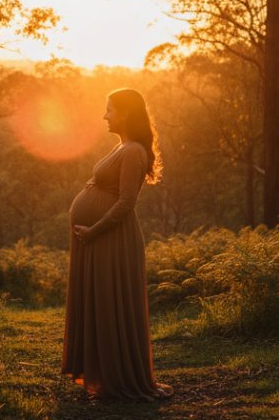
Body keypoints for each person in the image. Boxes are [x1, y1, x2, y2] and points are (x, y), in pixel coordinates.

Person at [62, 88, 173, 401]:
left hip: (112, 239)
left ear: (125, 113)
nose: (104, 115)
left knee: (112, 307)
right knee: (100, 305)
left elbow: (126, 202)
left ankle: (123, 379)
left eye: (109, 109)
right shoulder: (122, 146)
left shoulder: (134, 151)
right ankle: (104, 376)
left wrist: (94, 230)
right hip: (99, 238)